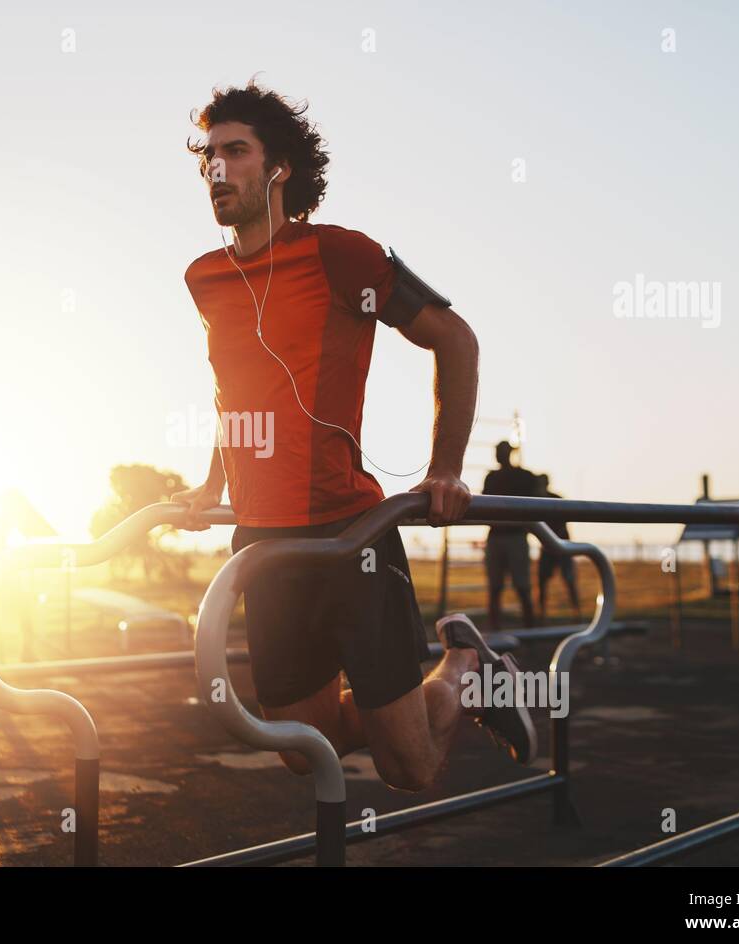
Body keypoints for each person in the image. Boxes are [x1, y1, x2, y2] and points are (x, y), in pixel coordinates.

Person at [169, 80, 536, 790]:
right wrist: (213, 482)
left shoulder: (342, 255)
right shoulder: (205, 278)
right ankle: (465, 678)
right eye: (208, 155)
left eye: (235, 151)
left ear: (278, 169)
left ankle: (465, 667)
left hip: (349, 539)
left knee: (411, 765)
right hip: (265, 547)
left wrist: (446, 468)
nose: (216, 168)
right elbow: (236, 393)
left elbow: (456, 340)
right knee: (304, 746)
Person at [481, 441, 537, 632]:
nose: (499, 455)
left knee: (521, 586)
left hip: (513, 536)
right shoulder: (494, 477)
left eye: (501, 452)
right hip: (500, 536)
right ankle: (497, 629)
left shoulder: (523, 477)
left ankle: (530, 628)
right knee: (496, 587)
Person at [533, 473, 582, 619]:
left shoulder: (552, 500)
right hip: (550, 546)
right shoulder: (540, 501)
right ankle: (542, 613)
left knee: (568, 579)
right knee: (543, 580)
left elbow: (563, 522)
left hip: (560, 545)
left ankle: (576, 612)